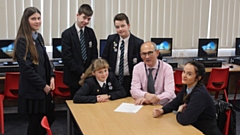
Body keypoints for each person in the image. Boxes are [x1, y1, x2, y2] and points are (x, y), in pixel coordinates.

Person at [13, 7, 55, 135]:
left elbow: (46, 61)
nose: (37, 21)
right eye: (33, 19)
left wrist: (52, 76)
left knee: (50, 116)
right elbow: (27, 69)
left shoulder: (38, 37)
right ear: (26, 21)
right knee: (35, 122)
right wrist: (43, 85)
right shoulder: (22, 40)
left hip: (44, 88)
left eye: (38, 18)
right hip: (34, 90)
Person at [152, 61, 222, 135]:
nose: (184, 76)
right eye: (184, 72)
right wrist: (162, 110)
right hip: (194, 127)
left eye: (189, 74)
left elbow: (185, 120)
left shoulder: (199, 94)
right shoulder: (188, 86)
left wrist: (179, 112)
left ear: (198, 78)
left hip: (204, 131)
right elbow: (176, 101)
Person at [101, 13, 144, 96]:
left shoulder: (138, 42)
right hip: (113, 78)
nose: (120, 29)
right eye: (117, 27)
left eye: (123, 26)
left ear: (128, 25)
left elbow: (140, 63)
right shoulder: (111, 39)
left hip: (129, 79)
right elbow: (104, 58)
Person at [62, 4, 98, 99]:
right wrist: (81, 72)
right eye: (84, 17)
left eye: (89, 19)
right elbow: (67, 58)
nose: (86, 21)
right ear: (77, 15)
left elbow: (94, 54)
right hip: (74, 77)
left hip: (89, 77)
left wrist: (89, 72)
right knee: (76, 103)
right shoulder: (67, 34)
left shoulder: (90, 33)